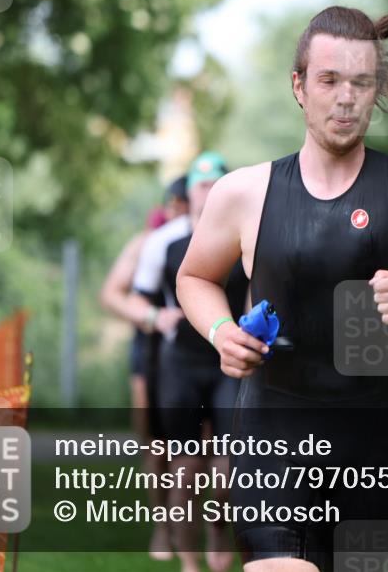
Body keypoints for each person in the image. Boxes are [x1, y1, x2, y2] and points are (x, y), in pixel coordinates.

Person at [175, 3, 388, 572]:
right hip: (269, 432)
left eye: (361, 82)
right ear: (299, 86)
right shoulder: (243, 192)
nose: (346, 97)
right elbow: (194, 277)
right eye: (329, 80)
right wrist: (221, 330)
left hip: (367, 437)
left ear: (376, 91)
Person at [159, 152, 248, 572]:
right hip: (182, 365)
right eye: (201, 184)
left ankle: (218, 530)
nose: (208, 192)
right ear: (189, 192)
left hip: (227, 363)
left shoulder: (245, 242)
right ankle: (190, 563)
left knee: (227, 474)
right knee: (186, 471)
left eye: (216, 185)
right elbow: (128, 294)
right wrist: (150, 316)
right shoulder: (167, 244)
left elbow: (256, 295)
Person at [99, 184, 185, 561]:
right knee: (155, 441)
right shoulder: (148, 242)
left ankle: (197, 527)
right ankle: (162, 528)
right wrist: (152, 316)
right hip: (150, 350)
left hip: (198, 354)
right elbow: (112, 293)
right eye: (178, 203)